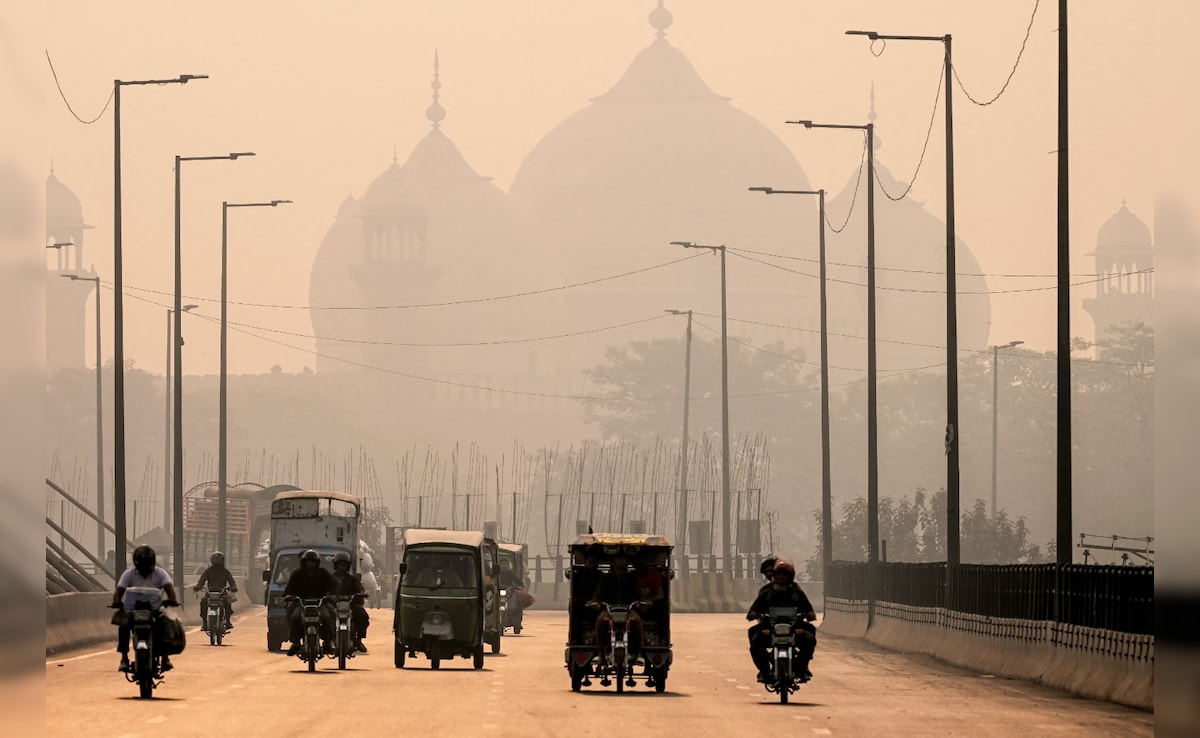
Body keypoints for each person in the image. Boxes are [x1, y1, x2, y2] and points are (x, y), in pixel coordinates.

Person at [745, 557, 817, 683]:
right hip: (770, 627)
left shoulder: (797, 592)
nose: (782, 577)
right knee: (755, 638)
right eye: (779, 574)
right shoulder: (766, 592)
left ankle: (802, 667)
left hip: (794, 627)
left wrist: (810, 614)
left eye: (785, 575)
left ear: (791, 576)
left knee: (809, 636)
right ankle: (764, 670)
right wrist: (753, 614)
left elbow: (808, 608)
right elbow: (754, 608)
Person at [112, 545, 179, 673]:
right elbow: (119, 591)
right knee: (123, 626)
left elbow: (169, 590)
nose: (144, 567)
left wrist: (171, 600)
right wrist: (117, 602)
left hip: (154, 610)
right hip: (133, 610)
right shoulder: (129, 574)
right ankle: (124, 658)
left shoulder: (160, 573)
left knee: (165, 625)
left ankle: (165, 657)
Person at [588, 552, 644, 659]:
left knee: (636, 621)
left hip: (628, 610)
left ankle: (638, 654)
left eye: (624, 559)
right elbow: (599, 593)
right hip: (609, 610)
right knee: (601, 621)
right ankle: (601, 653)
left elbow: (638, 593)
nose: (622, 561)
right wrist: (595, 602)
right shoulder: (606, 578)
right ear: (614, 562)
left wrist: (642, 602)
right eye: (619, 559)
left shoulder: (631, 577)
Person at [283, 549, 337, 656]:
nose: (310, 564)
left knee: (327, 618)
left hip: (320, 604)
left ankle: (327, 643)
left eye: (313, 561)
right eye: (308, 561)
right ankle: (295, 643)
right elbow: (289, 589)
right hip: (302, 604)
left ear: (317, 562)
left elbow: (333, 586)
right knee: (295, 618)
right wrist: (289, 596)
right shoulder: (297, 574)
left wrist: (332, 595)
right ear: (304, 562)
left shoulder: (323, 573)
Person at [330, 551, 370, 653]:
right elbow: (325, 589)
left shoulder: (353, 579)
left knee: (363, 616)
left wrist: (361, 594)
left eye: (344, 565)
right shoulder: (330, 579)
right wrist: (329, 597)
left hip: (350, 605)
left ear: (347, 566)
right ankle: (328, 640)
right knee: (325, 617)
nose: (342, 568)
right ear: (336, 566)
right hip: (334, 605)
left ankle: (358, 640)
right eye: (340, 565)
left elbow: (359, 589)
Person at [192, 551, 238, 629]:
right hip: (210, 593)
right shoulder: (208, 571)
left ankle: (227, 621)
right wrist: (198, 587)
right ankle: (205, 622)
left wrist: (233, 587)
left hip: (222, 592)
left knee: (227, 603)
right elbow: (201, 581)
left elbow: (232, 582)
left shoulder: (225, 571)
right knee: (203, 602)